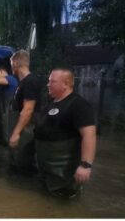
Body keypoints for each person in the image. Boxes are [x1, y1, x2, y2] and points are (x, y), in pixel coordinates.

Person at [35, 69, 96, 198]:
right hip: (46, 168)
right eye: (48, 81)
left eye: (52, 81)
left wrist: (85, 165)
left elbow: (89, 135)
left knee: (63, 202)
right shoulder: (51, 102)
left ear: (66, 84)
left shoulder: (78, 104)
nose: (48, 84)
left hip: (63, 171)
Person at [9, 50, 42, 173]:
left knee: (24, 163)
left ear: (17, 63)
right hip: (23, 128)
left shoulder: (30, 82)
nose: (11, 66)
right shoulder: (23, 83)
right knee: (18, 161)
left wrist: (16, 133)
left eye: (11, 63)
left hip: (27, 129)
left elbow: (28, 109)